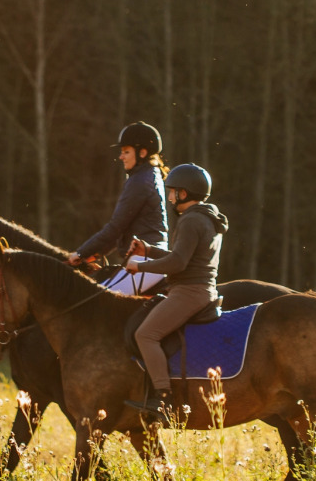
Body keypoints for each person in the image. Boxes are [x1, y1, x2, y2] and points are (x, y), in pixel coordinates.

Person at [124, 163, 228, 415]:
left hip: (189, 292)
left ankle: (163, 398)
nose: (170, 197)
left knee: (145, 335)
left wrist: (140, 266)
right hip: (200, 289)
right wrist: (148, 249)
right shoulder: (206, 217)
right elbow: (181, 256)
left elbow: (178, 263)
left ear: (185, 193)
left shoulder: (191, 220)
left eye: (173, 192)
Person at [67, 122, 168, 295]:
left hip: (145, 263)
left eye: (126, 152)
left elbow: (114, 229)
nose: (121, 157)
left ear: (142, 153)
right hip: (145, 260)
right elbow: (120, 233)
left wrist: (80, 253)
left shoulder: (140, 181)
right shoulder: (148, 175)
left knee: (98, 303)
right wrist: (95, 253)